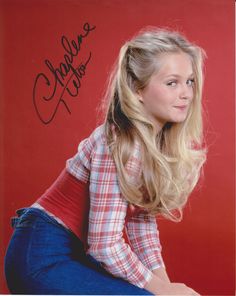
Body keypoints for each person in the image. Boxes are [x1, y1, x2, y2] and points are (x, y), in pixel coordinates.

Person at [4, 26, 207, 295]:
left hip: (79, 253)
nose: (186, 93)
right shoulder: (119, 141)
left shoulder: (154, 146)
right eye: (172, 82)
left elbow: (140, 223)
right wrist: (159, 289)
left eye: (190, 81)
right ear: (137, 89)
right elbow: (103, 244)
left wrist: (166, 286)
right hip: (42, 254)